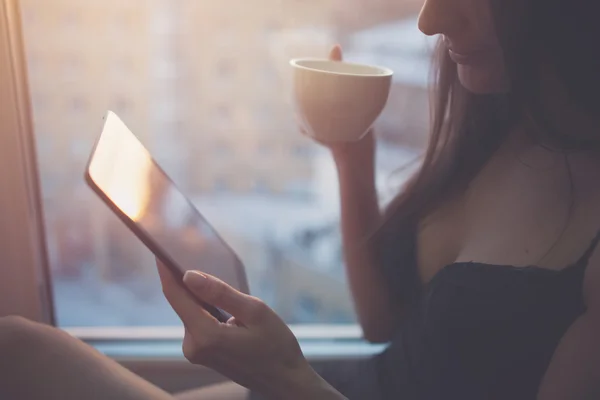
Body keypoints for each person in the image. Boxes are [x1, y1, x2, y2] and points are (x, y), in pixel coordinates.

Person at [2, 0, 600, 397]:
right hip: (332, 388)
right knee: (17, 347)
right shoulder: (500, 125)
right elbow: (382, 319)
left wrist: (285, 378)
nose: (429, 19)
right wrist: (351, 156)